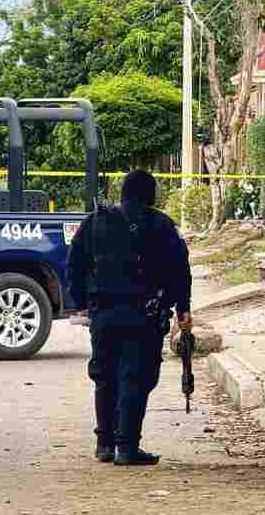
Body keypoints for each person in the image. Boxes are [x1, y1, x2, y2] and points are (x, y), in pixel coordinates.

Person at [66, 170, 193, 466]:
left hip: (103, 313)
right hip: (144, 315)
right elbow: (180, 270)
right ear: (151, 194)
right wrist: (183, 308)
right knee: (135, 376)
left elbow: (74, 262)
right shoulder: (162, 225)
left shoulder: (96, 220)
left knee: (105, 375)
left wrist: (81, 302)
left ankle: (104, 445)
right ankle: (127, 447)